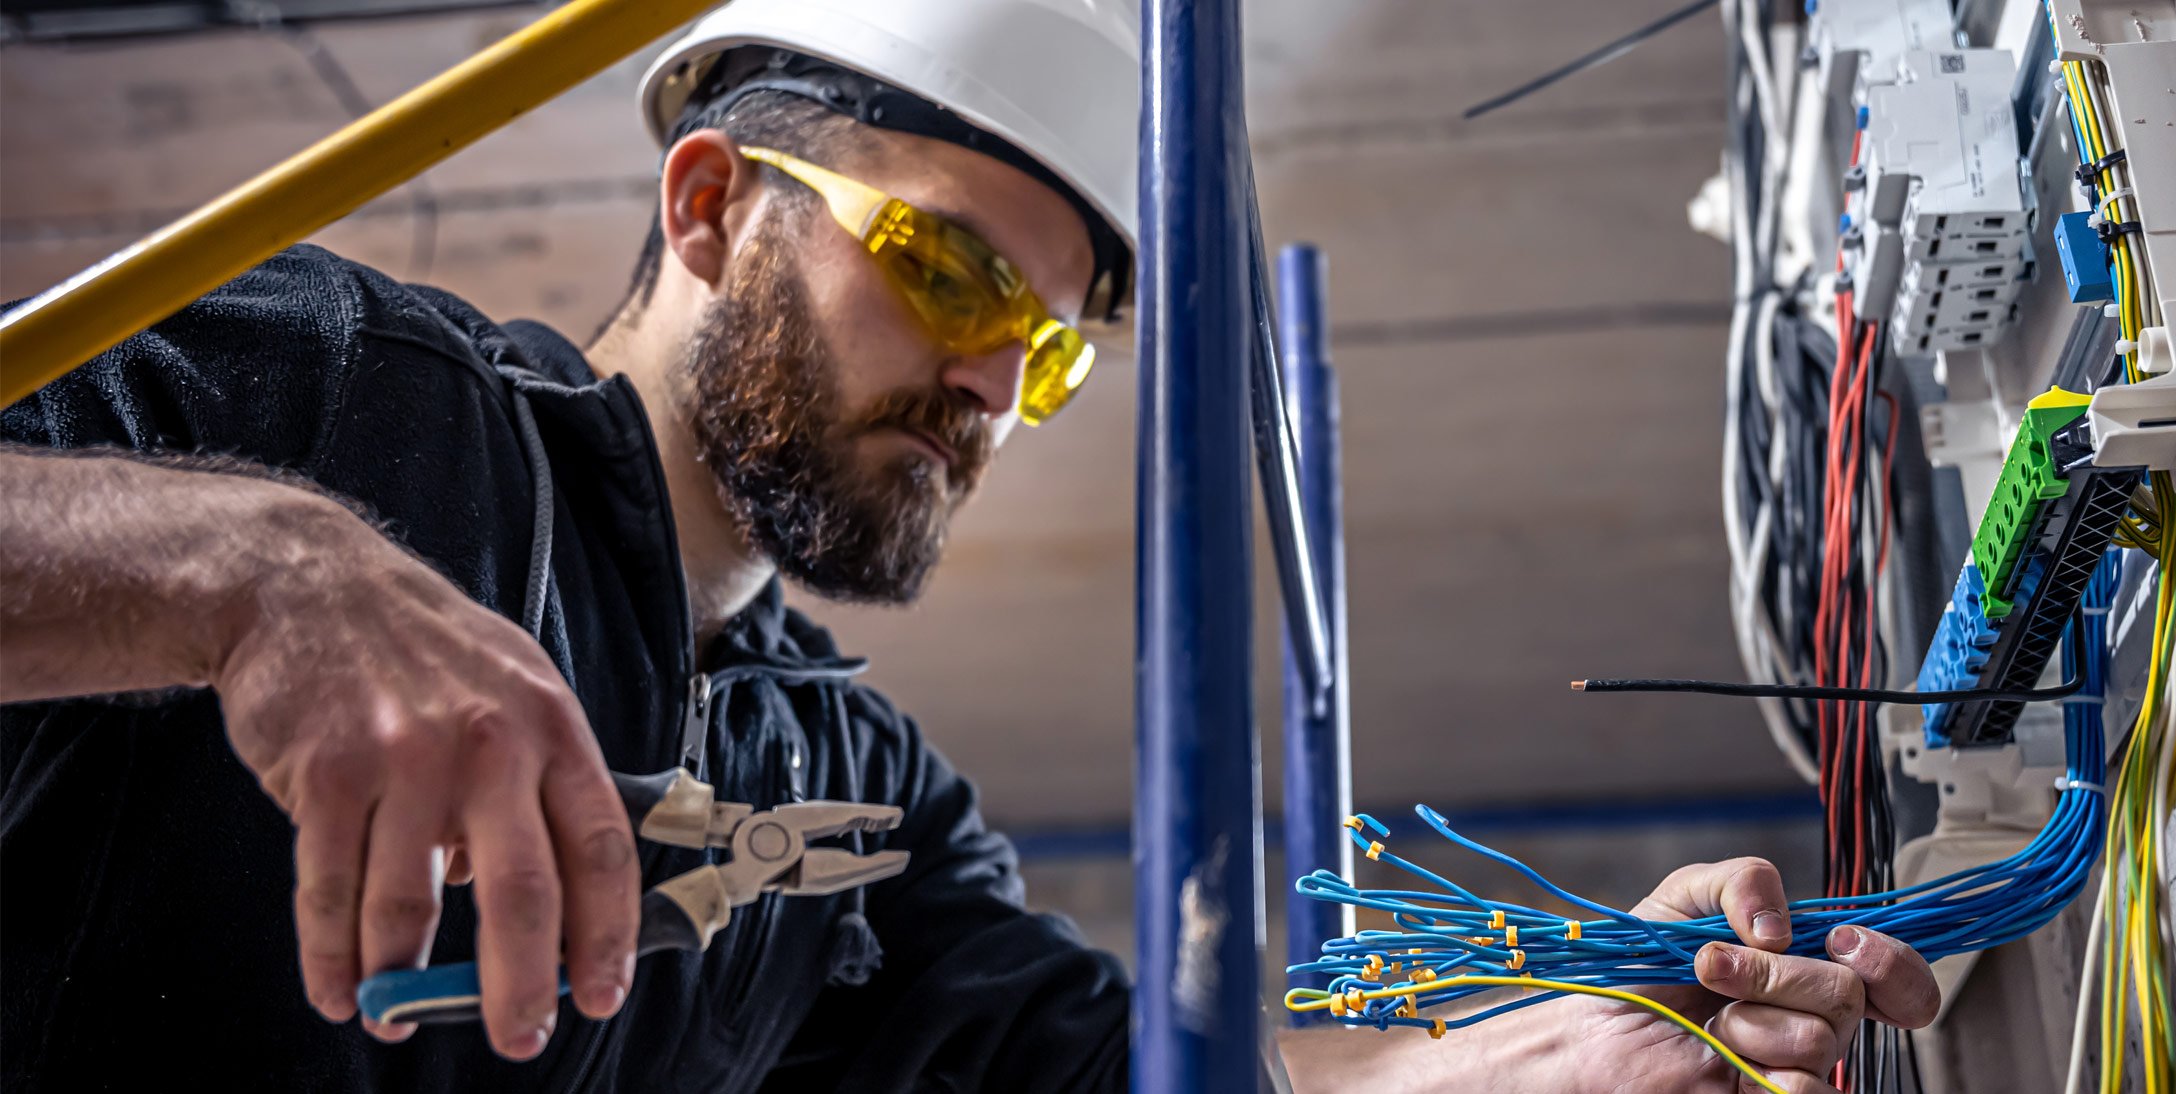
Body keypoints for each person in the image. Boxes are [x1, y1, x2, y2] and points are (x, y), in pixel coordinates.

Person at [0, 1, 1939, 1089]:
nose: (986, 385)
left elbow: (1146, 1082)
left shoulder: (845, 792)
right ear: (706, 208)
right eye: (941, 269)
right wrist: (248, 565)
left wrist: (1570, 1018)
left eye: (1045, 346)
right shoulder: (343, 397)